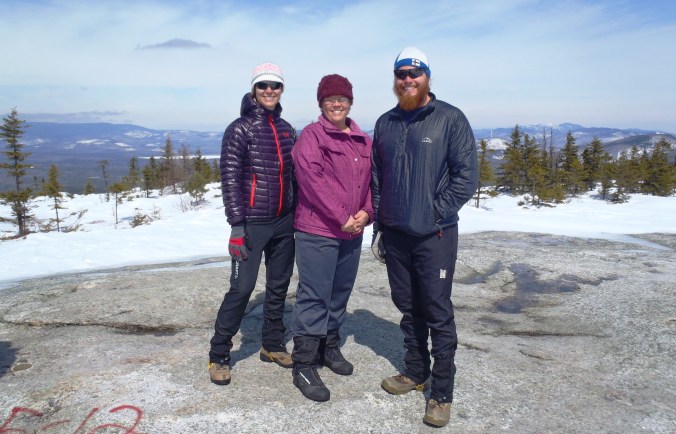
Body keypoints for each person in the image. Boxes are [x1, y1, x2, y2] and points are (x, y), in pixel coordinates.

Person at [371, 47, 478, 427]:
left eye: (415, 73)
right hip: (397, 236)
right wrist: (380, 226)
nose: (408, 80)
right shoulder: (385, 123)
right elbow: (377, 179)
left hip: (435, 235)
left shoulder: (449, 118)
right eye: (401, 74)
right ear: (395, 78)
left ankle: (442, 393)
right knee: (407, 305)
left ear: (427, 76)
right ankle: (416, 372)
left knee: (436, 310)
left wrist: (433, 213)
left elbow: (467, 177)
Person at [208, 62, 296, 386]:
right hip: (252, 223)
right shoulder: (239, 129)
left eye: (275, 85)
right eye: (263, 86)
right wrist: (236, 225)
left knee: (278, 285)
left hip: (284, 222)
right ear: (254, 90)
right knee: (242, 287)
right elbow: (230, 179)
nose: (269, 90)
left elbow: (294, 176)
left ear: (281, 89)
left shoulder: (287, 129)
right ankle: (219, 354)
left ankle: (272, 345)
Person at [290, 74, 373, 402]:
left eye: (342, 99)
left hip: (353, 231)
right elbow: (312, 180)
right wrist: (343, 217)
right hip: (318, 230)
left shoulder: (363, 140)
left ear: (350, 102)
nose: (337, 104)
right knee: (314, 294)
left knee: (339, 292)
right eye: (330, 99)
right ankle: (304, 363)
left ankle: (329, 347)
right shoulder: (312, 136)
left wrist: (367, 212)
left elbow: (371, 183)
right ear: (321, 103)